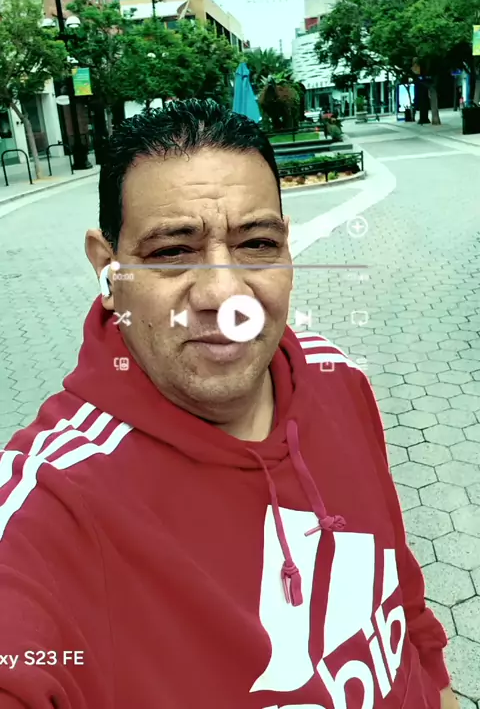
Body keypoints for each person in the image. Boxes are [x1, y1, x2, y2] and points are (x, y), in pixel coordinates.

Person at [0, 99, 458, 709]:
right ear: (109, 271)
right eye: (171, 252)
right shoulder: (52, 507)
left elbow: (401, 595)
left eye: (257, 244)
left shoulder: (336, 377)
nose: (225, 294)